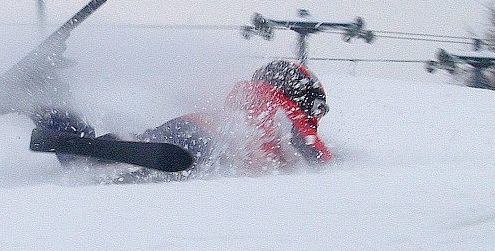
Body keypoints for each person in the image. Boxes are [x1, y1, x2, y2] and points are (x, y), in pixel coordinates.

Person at [32, 59, 332, 182]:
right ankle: (45, 91)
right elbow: (307, 141)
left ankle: (41, 97)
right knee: (112, 158)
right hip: (201, 139)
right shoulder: (271, 101)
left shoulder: (262, 117)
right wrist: (331, 164)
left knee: (86, 162)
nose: (315, 117)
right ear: (298, 91)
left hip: (189, 138)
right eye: (316, 107)